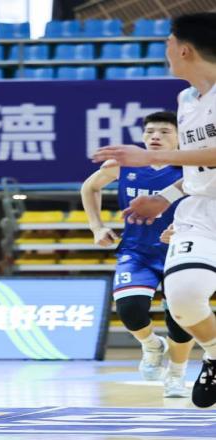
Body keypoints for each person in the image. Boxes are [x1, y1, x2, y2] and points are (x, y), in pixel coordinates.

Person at [92, 12, 216, 408]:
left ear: (185, 49)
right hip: (201, 209)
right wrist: (166, 197)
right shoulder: (186, 100)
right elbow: (198, 168)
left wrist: (150, 158)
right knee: (183, 299)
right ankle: (214, 355)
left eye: (168, 42)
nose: (165, 49)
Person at [82, 111, 194, 397]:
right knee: (130, 310)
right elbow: (90, 187)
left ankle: (177, 374)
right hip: (137, 252)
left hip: (181, 251)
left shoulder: (192, 169)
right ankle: (152, 345)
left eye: (164, 132)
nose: (155, 136)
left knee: (180, 319)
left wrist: (185, 228)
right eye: (150, 131)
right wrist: (97, 227)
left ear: (180, 137)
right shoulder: (122, 165)